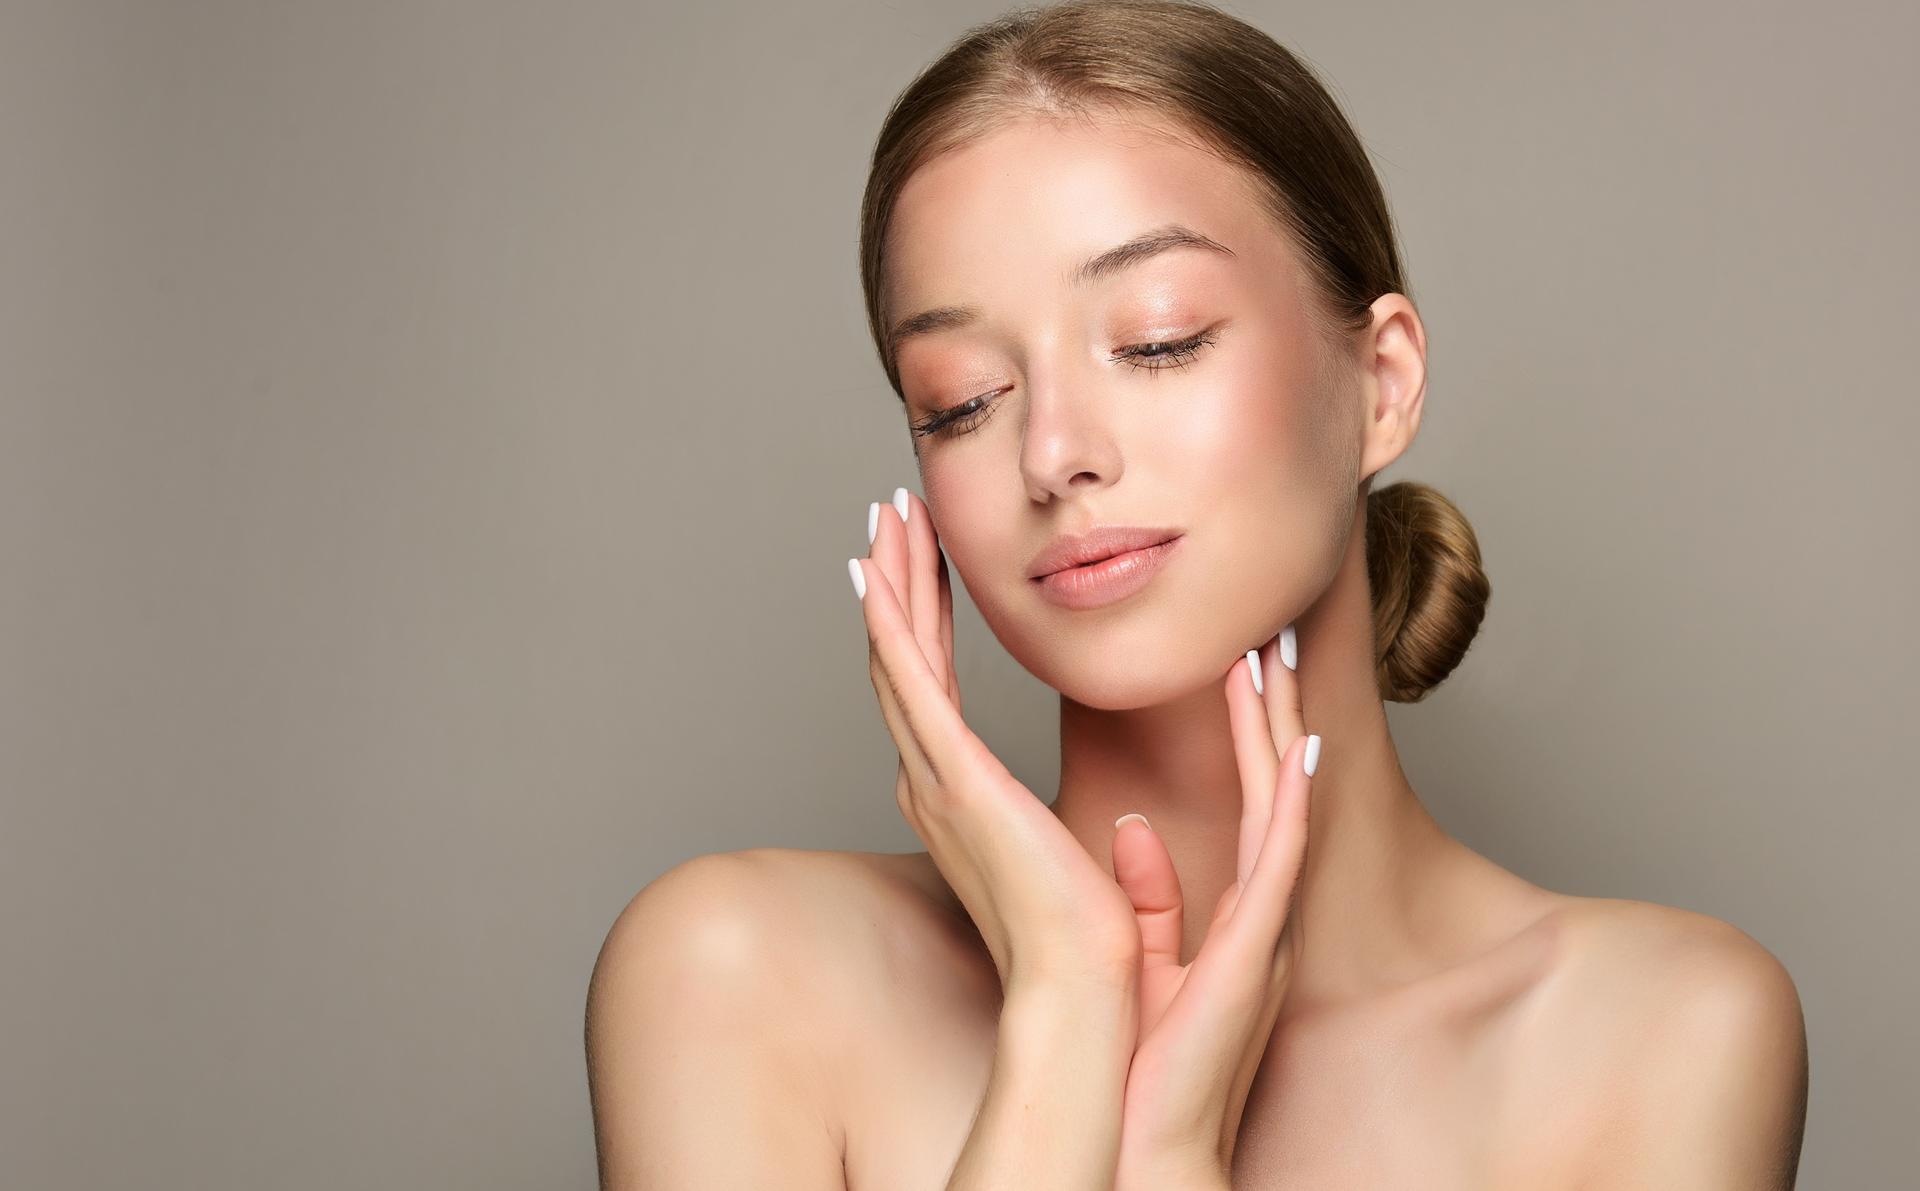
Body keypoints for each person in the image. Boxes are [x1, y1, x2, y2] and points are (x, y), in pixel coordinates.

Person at [584, 2, 1809, 1186]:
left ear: (1380, 384)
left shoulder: (1658, 1036)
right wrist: (1068, 1003)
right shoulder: (737, 976)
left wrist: (1171, 1163)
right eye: (961, 399)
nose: (1052, 451)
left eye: (1158, 340)